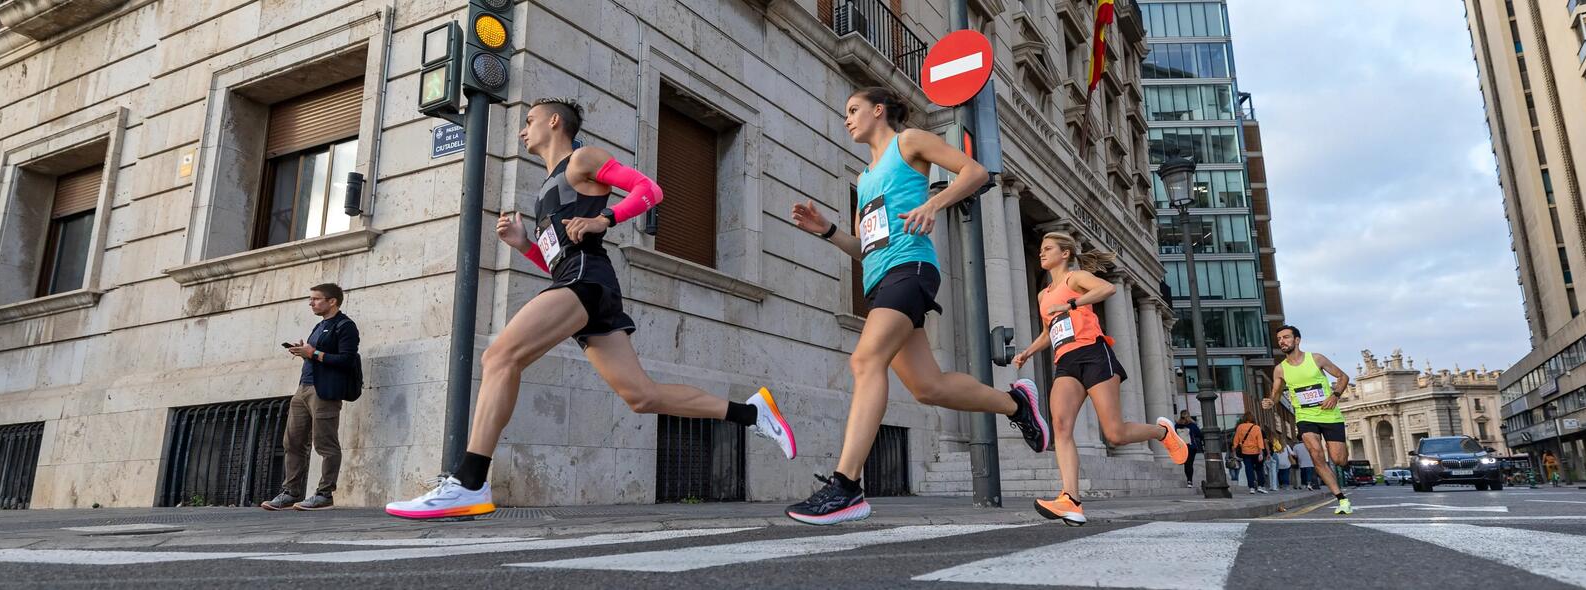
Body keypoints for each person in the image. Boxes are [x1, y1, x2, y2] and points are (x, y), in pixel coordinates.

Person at [385, 99, 798, 519]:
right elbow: (555, 261)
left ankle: (469, 482)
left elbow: (650, 190)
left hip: (586, 281)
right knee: (642, 396)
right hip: (578, 280)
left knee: (499, 357)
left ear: (554, 121)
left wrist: (607, 218)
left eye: (529, 121)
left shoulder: (582, 159)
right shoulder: (547, 189)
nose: (523, 130)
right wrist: (524, 244)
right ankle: (751, 412)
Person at [783, 87, 1051, 525]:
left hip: (911, 269)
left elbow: (975, 172)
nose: (847, 119)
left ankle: (846, 487)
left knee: (865, 361)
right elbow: (865, 247)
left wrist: (934, 203)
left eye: (853, 110)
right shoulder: (866, 176)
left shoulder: (909, 142)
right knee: (928, 387)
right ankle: (1017, 404)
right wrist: (827, 229)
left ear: (878, 110)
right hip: (881, 278)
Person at [1011, 232, 1187, 526]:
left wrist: (1070, 305)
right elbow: (1048, 331)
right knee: (1061, 425)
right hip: (1065, 361)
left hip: (1093, 353)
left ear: (1064, 253)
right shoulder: (1043, 295)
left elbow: (1107, 288)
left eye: (1048, 249)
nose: (1042, 254)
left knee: (1115, 433)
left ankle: (1162, 433)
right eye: (1040, 249)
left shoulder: (1075, 278)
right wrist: (1028, 352)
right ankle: (1071, 500)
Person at [261, 283, 363, 511]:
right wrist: (304, 352)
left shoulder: (345, 326)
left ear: (332, 301)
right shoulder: (319, 326)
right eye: (311, 299)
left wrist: (313, 353)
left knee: (325, 443)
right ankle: (290, 492)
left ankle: (324, 494)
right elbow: (316, 356)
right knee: (293, 441)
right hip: (303, 388)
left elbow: (346, 360)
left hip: (324, 391)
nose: (311, 303)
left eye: (316, 299)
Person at [1261, 325, 1354, 514]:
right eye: (1279, 339)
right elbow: (1276, 394)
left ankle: (1344, 457)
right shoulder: (1280, 369)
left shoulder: (1316, 359)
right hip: (1304, 416)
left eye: (1286, 337)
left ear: (1297, 340)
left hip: (1329, 414)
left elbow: (1343, 376)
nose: (1282, 341)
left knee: (1338, 458)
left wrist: (1335, 395)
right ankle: (1341, 499)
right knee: (1316, 454)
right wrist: (1270, 401)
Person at [1232, 415, 1266, 494]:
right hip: (1256, 452)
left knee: (1249, 470)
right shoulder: (1257, 428)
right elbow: (1260, 441)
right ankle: (1260, 486)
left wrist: (1234, 450)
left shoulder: (1240, 427)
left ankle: (1251, 488)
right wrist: (1261, 452)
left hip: (1245, 452)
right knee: (1259, 469)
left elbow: (1236, 440)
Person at [1177, 411, 1203, 488]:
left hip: (1182, 447)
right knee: (1190, 464)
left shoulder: (1177, 425)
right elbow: (1199, 434)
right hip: (1191, 447)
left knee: (1186, 464)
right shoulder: (1192, 425)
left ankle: (1189, 480)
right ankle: (1189, 480)